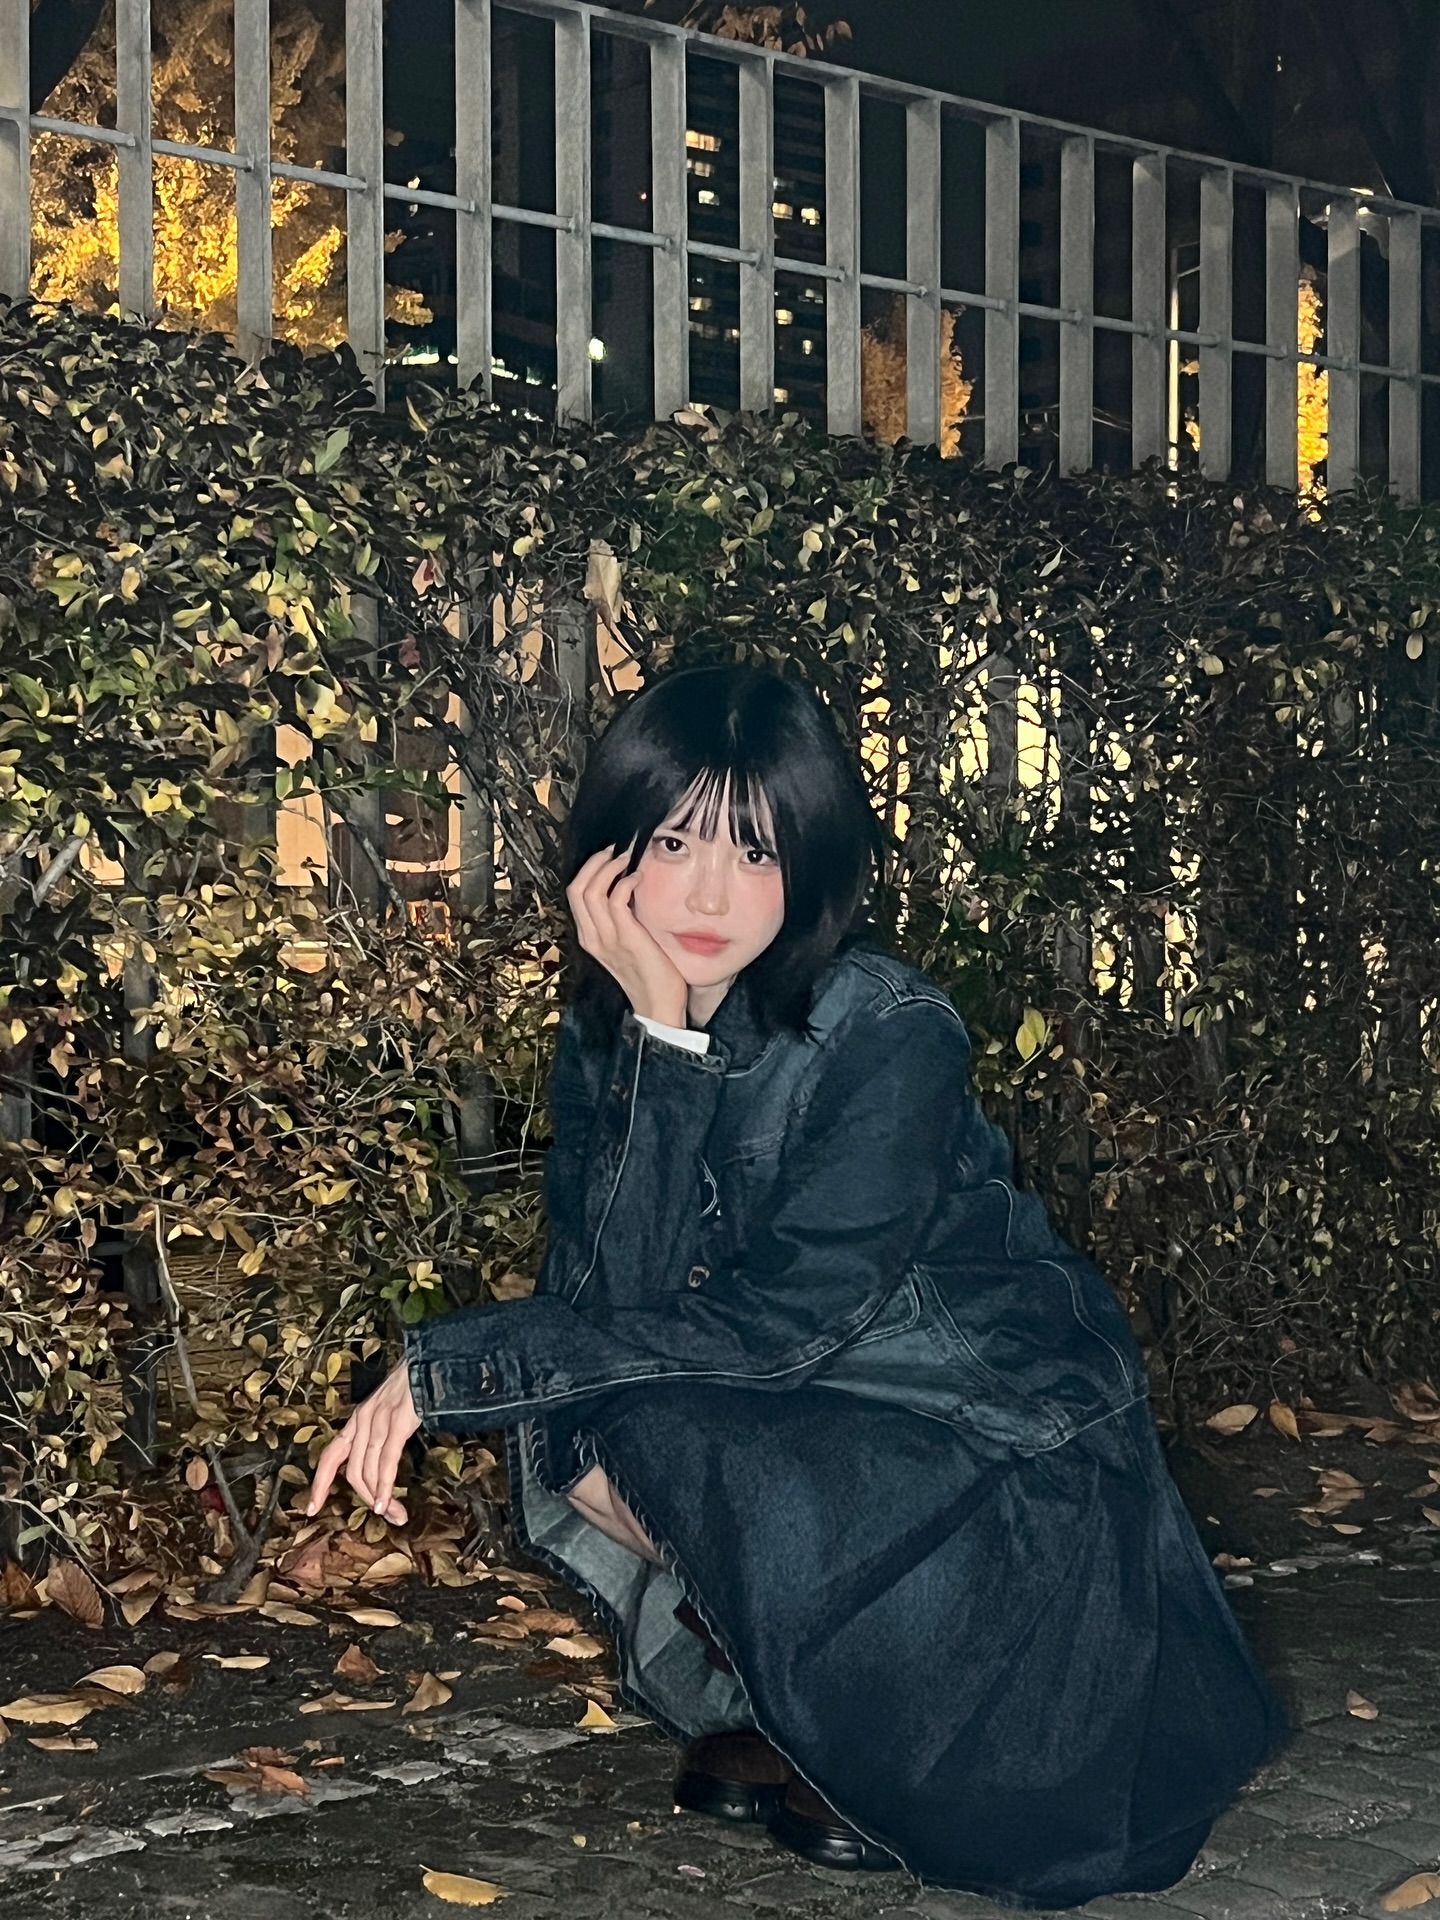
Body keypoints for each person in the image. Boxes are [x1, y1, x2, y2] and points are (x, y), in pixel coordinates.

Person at [305, 662, 1286, 1905]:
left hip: (993, 1442)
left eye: (756, 851)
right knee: (590, 1418)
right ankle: (806, 1704)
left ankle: (890, 1720)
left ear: (808, 862)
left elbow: (786, 1321)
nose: (711, 893)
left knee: (620, 1404)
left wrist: (451, 1366)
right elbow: (610, 1304)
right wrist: (661, 1036)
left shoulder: (888, 1028)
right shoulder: (617, 1025)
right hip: (833, 1408)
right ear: (613, 855)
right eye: (675, 843)